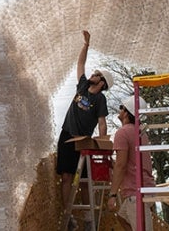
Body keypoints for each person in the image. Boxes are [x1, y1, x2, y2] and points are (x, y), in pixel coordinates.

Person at [56, 30, 114, 230]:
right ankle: (69, 217)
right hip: (66, 136)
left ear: (102, 83)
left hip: (83, 142)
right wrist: (86, 44)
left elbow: (102, 122)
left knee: (84, 181)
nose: (93, 75)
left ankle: (89, 219)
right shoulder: (81, 86)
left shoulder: (100, 99)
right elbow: (80, 65)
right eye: (95, 73)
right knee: (65, 177)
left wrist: (102, 142)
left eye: (97, 75)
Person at [107, 96, 155, 230]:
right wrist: (114, 164)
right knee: (122, 217)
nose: (119, 110)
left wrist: (112, 194)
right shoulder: (141, 133)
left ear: (127, 113)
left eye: (121, 108)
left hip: (136, 193)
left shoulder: (122, 132)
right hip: (146, 188)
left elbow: (121, 166)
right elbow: (131, 161)